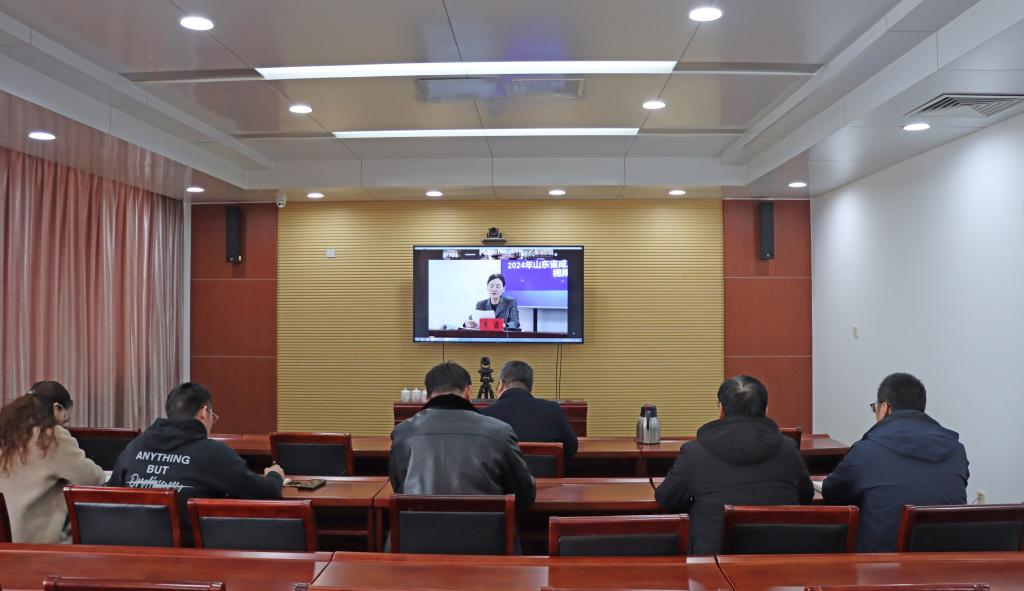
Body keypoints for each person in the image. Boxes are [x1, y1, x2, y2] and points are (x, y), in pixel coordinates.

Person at [109, 382, 285, 546]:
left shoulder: (134, 448)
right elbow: (265, 493)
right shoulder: (213, 454)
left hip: (133, 550)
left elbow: (110, 496)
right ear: (204, 412)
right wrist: (275, 475)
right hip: (193, 555)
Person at [655, 375, 813, 555]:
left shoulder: (694, 452)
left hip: (713, 561)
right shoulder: (788, 449)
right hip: (781, 560)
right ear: (766, 410)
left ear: (721, 409)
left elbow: (667, 499)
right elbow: (805, 496)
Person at [822, 372, 968, 552]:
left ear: (885, 408)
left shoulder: (867, 451)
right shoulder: (956, 451)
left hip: (880, 565)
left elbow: (831, 492)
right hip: (945, 562)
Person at [390, 361, 536, 512]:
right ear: (468, 391)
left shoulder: (402, 432)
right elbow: (525, 494)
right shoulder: (500, 432)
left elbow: (399, 486)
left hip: (417, 526)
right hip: (483, 526)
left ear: (427, 396)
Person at [0, 381, 106, 543]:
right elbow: (92, 479)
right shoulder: (51, 436)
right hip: (39, 544)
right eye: (65, 416)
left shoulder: (6, 432)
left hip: (6, 543)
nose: (65, 421)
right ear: (56, 407)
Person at [480, 360, 578, 459]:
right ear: (530, 387)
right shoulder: (553, 410)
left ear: (500, 384)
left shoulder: (485, 416)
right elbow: (572, 448)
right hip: (542, 469)